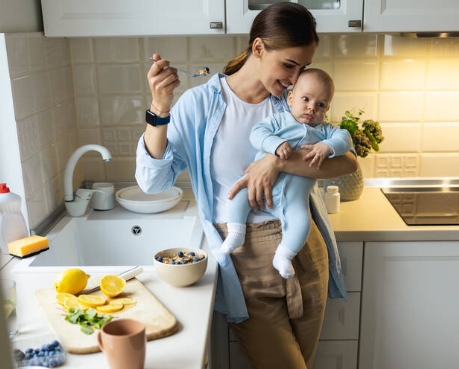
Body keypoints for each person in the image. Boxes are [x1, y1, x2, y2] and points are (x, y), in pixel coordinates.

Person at [135, 3, 357, 368]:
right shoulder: (201, 105)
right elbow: (152, 181)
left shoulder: (293, 104)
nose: (294, 78)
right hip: (245, 261)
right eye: (288, 65)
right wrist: (159, 108)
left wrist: (276, 160)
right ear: (258, 48)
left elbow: (346, 162)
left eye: (302, 68)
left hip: (303, 247)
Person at [220, 68, 353, 281]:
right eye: (306, 99)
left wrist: (327, 147)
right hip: (259, 189)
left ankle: (283, 256)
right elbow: (257, 133)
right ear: (290, 98)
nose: (312, 107)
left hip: (293, 201)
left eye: (320, 105)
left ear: (327, 108)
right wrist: (275, 144)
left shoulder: (325, 131)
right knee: (236, 195)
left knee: (302, 223)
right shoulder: (279, 121)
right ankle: (236, 233)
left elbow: (345, 139)